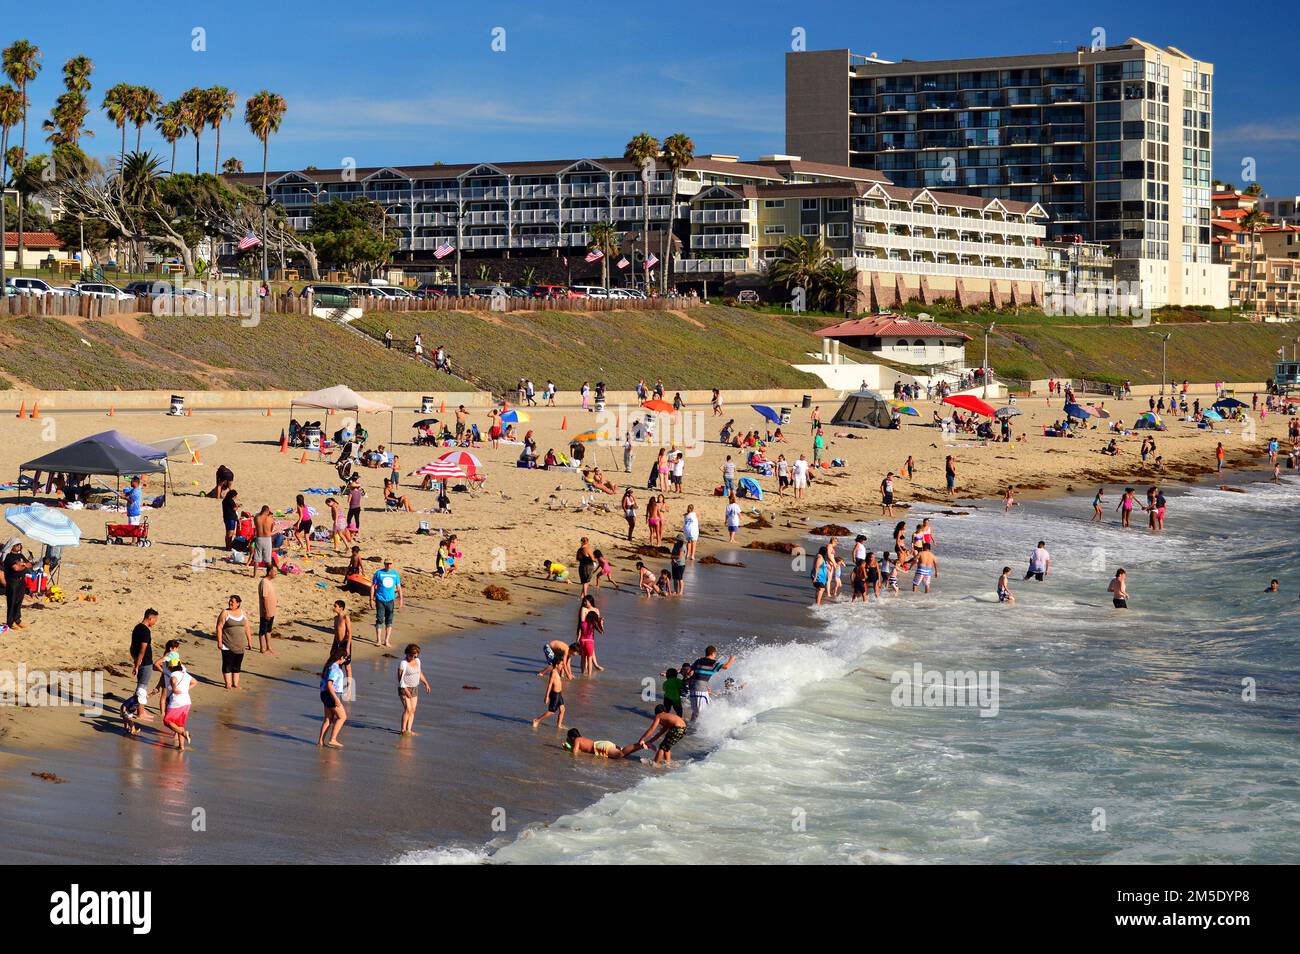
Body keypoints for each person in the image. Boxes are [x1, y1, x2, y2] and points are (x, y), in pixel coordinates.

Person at [128, 609, 159, 724]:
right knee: (142, 687)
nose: (155, 622)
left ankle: (141, 711)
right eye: (155, 620)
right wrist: (139, 662)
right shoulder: (146, 631)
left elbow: (131, 647)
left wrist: (135, 660)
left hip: (139, 660)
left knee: (142, 686)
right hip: (145, 662)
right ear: (150, 618)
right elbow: (143, 648)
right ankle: (140, 713)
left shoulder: (137, 627)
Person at [216, 594, 253, 690]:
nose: (230, 603)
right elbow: (219, 627)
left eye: (232, 601)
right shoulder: (225, 612)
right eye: (230, 601)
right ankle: (228, 683)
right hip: (227, 643)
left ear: (238, 603)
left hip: (240, 644)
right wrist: (219, 641)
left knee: (237, 664)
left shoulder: (243, 612)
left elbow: (247, 627)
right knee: (227, 663)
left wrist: (250, 641)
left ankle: (235, 684)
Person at [689, 646, 734, 721]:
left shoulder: (698, 660)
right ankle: (696, 729)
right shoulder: (713, 663)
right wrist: (732, 658)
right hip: (700, 689)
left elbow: (689, 671)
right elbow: (726, 667)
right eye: (715, 654)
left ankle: (691, 726)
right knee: (702, 713)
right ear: (713, 653)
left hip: (693, 688)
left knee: (696, 711)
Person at [318, 645, 349, 748]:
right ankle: (333, 739)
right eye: (345, 658)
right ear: (341, 658)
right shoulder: (334, 668)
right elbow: (329, 684)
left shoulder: (328, 665)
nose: (345, 661)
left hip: (324, 694)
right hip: (331, 695)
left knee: (328, 718)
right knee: (342, 717)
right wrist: (336, 699)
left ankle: (320, 742)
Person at [397, 643, 431, 735]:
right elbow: (400, 678)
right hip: (404, 688)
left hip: (414, 688)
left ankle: (409, 730)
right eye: (411, 655)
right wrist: (406, 690)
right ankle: (403, 730)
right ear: (407, 653)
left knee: (413, 709)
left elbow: (419, 673)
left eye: (415, 656)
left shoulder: (418, 661)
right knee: (408, 709)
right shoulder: (403, 663)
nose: (413, 658)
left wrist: (426, 683)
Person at [161, 658, 194, 751]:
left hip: (177, 701)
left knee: (166, 721)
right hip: (187, 702)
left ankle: (184, 733)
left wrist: (174, 688)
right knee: (180, 724)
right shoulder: (185, 674)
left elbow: (174, 680)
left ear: (171, 667)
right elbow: (195, 682)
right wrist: (186, 689)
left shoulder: (173, 674)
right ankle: (181, 746)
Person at [370, 558, 403, 647]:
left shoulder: (395, 574)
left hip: (390, 600)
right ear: (384, 564)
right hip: (380, 599)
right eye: (387, 564)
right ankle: (378, 640)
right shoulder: (378, 573)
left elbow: (399, 587)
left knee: (389, 620)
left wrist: (401, 600)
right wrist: (371, 599)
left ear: (392, 564)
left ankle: (386, 641)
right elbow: (373, 586)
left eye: (390, 564)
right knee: (380, 619)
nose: (388, 565)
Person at [532, 659, 567, 729]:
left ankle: (559, 725)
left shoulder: (556, 672)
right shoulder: (553, 673)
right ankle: (537, 720)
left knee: (562, 709)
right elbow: (550, 684)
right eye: (561, 664)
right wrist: (546, 696)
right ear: (557, 665)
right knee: (551, 711)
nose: (562, 666)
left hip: (559, 694)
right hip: (555, 694)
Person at [563, 728, 641, 759]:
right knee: (624, 754)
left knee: (620, 754)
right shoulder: (581, 739)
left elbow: (574, 753)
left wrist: (567, 749)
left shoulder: (577, 740)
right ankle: (640, 746)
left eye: (568, 737)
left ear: (572, 737)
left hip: (598, 747)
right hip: (602, 744)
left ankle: (639, 744)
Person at [3, 541, 30, 631]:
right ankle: (10, 622)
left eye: (19, 545)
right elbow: (16, 568)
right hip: (12, 582)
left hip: (21, 581)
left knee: (19, 602)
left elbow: (29, 564)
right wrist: (23, 566)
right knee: (12, 602)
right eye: (17, 545)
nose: (19, 546)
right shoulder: (8, 557)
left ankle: (17, 619)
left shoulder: (20, 556)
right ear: (12, 546)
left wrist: (23, 565)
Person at [257, 566, 278, 654]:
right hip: (266, 612)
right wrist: (267, 611)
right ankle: (262, 648)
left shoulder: (269, 582)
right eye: (275, 571)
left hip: (271, 611)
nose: (276, 573)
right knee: (263, 630)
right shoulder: (264, 582)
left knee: (269, 630)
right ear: (269, 572)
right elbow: (264, 598)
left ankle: (268, 647)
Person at [576, 609, 603, 674]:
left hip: (582, 641)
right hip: (590, 642)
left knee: (583, 659)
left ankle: (582, 672)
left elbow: (579, 632)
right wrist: (601, 624)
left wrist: (577, 639)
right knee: (589, 659)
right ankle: (589, 674)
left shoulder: (582, 623)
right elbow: (601, 632)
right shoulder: (593, 624)